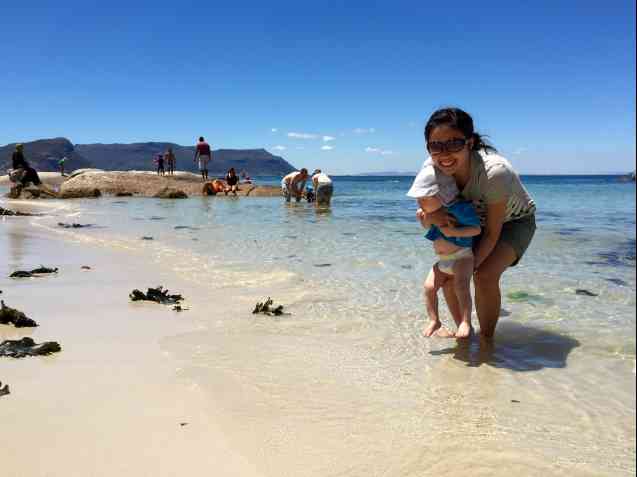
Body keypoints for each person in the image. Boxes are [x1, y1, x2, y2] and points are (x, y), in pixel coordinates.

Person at [417, 107, 536, 339]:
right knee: (451, 275)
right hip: (469, 222)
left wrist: (470, 267)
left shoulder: (494, 171)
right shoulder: (431, 168)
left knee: (483, 275)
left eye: (454, 144)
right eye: (436, 145)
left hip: (513, 221)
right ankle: (465, 333)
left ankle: (487, 343)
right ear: (428, 147)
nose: (444, 154)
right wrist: (431, 218)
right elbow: (427, 210)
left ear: (469, 142)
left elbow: (492, 232)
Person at [408, 165, 481, 338]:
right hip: (442, 261)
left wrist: (455, 232)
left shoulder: (460, 209)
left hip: (462, 256)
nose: (420, 203)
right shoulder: (430, 212)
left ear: (443, 196)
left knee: (461, 286)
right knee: (428, 287)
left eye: (424, 199)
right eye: (418, 200)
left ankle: (465, 321)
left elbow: (476, 229)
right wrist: (423, 220)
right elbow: (428, 228)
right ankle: (434, 320)